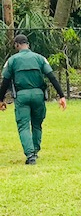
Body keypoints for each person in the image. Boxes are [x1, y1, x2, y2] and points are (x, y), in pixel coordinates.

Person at [0, 34, 67, 165]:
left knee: (23, 126)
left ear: (17, 45)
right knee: (37, 125)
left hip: (22, 96)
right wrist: (62, 95)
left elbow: (5, 81)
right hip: (38, 95)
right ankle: (35, 150)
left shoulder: (12, 60)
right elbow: (52, 77)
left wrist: (0, 99)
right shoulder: (40, 58)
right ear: (28, 44)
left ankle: (30, 155)